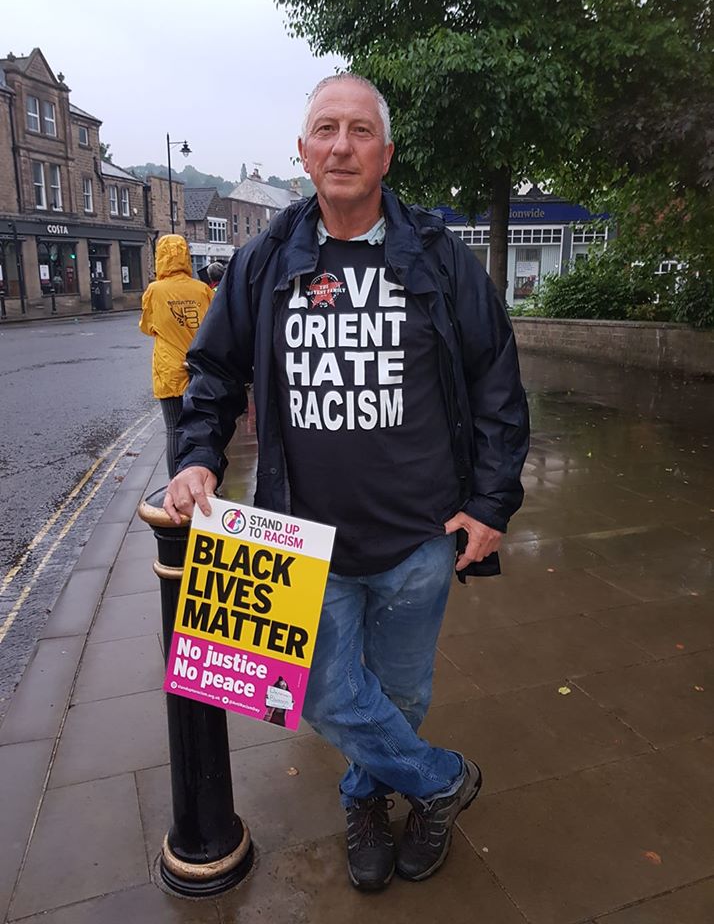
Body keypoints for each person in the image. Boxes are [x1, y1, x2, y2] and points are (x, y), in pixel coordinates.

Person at [164, 74, 529, 891]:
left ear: (386, 154)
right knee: (317, 694)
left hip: (421, 538)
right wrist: (196, 455)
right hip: (303, 540)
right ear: (303, 151)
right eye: (325, 129)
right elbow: (213, 371)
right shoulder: (265, 260)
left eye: (360, 130)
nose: (341, 145)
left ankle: (370, 799)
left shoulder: (438, 255)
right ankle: (440, 780)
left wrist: (491, 503)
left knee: (398, 695)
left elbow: (497, 381)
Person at [139, 234, 214, 477]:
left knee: (173, 429)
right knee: (202, 428)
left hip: (170, 368)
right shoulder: (202, 289)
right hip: (199, 368)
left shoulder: (154, 291)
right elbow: (214, 326)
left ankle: (175, 484)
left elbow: (147, 326)